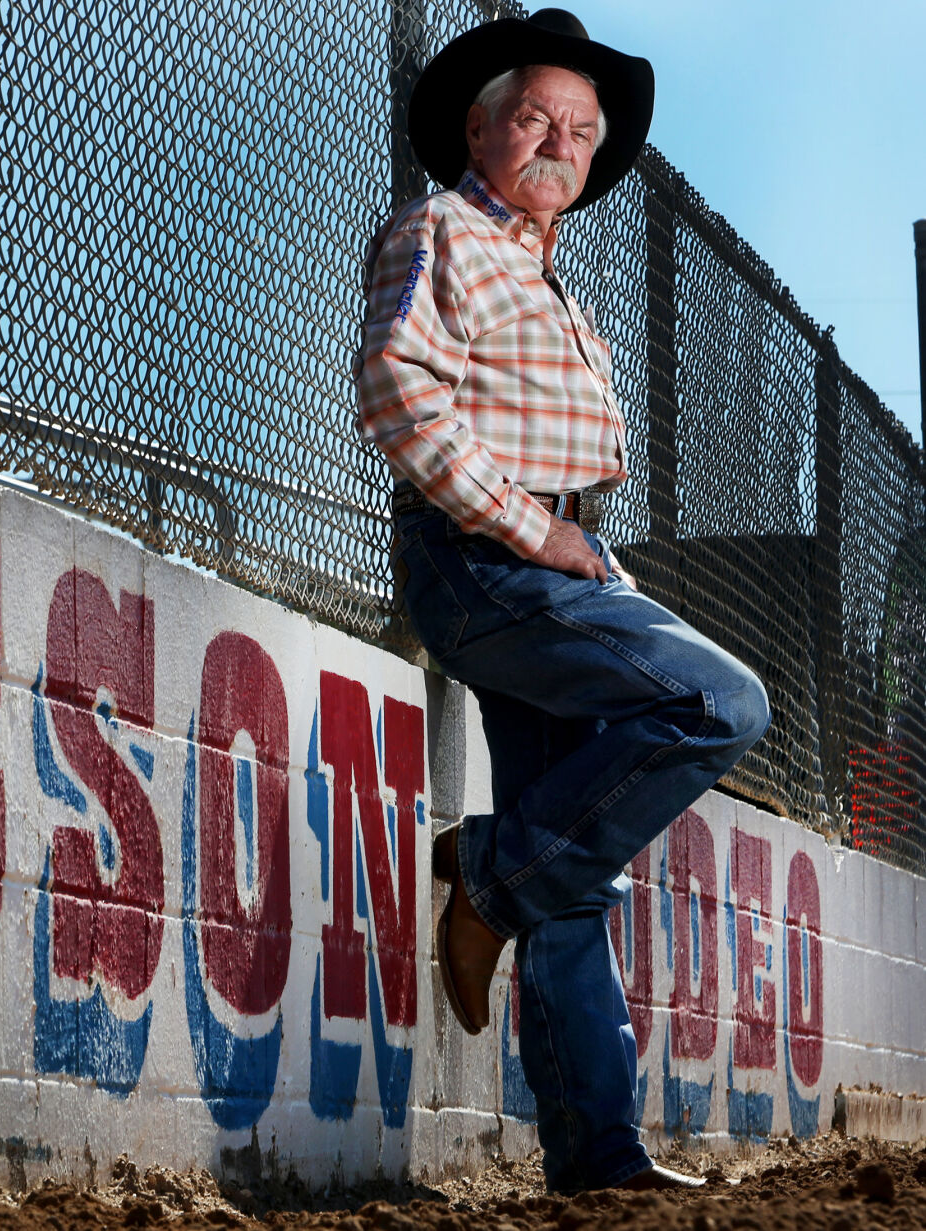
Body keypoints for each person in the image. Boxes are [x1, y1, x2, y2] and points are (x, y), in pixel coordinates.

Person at [352, 9, 770, 1193]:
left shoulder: (554, 283)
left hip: (545, 557)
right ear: (479, 126)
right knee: (722, 704)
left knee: (575, 861)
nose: (561, 142)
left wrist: (580, 549)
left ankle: (596, 1155)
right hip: (481, 559)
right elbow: (396, 392)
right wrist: (540, 532)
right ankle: (490, 873)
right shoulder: (442, 228)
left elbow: (564, 483)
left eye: (582, 132)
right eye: (536, 115)